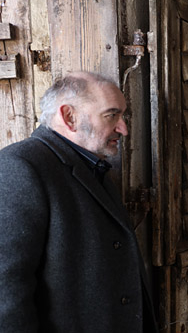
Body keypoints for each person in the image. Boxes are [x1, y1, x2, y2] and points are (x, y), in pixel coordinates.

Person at [0, 72, 158, 332]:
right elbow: (6, 290)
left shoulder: (93, 168)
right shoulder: (20, 166)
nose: (124, 128)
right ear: (69, 117)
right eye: (111, 115)